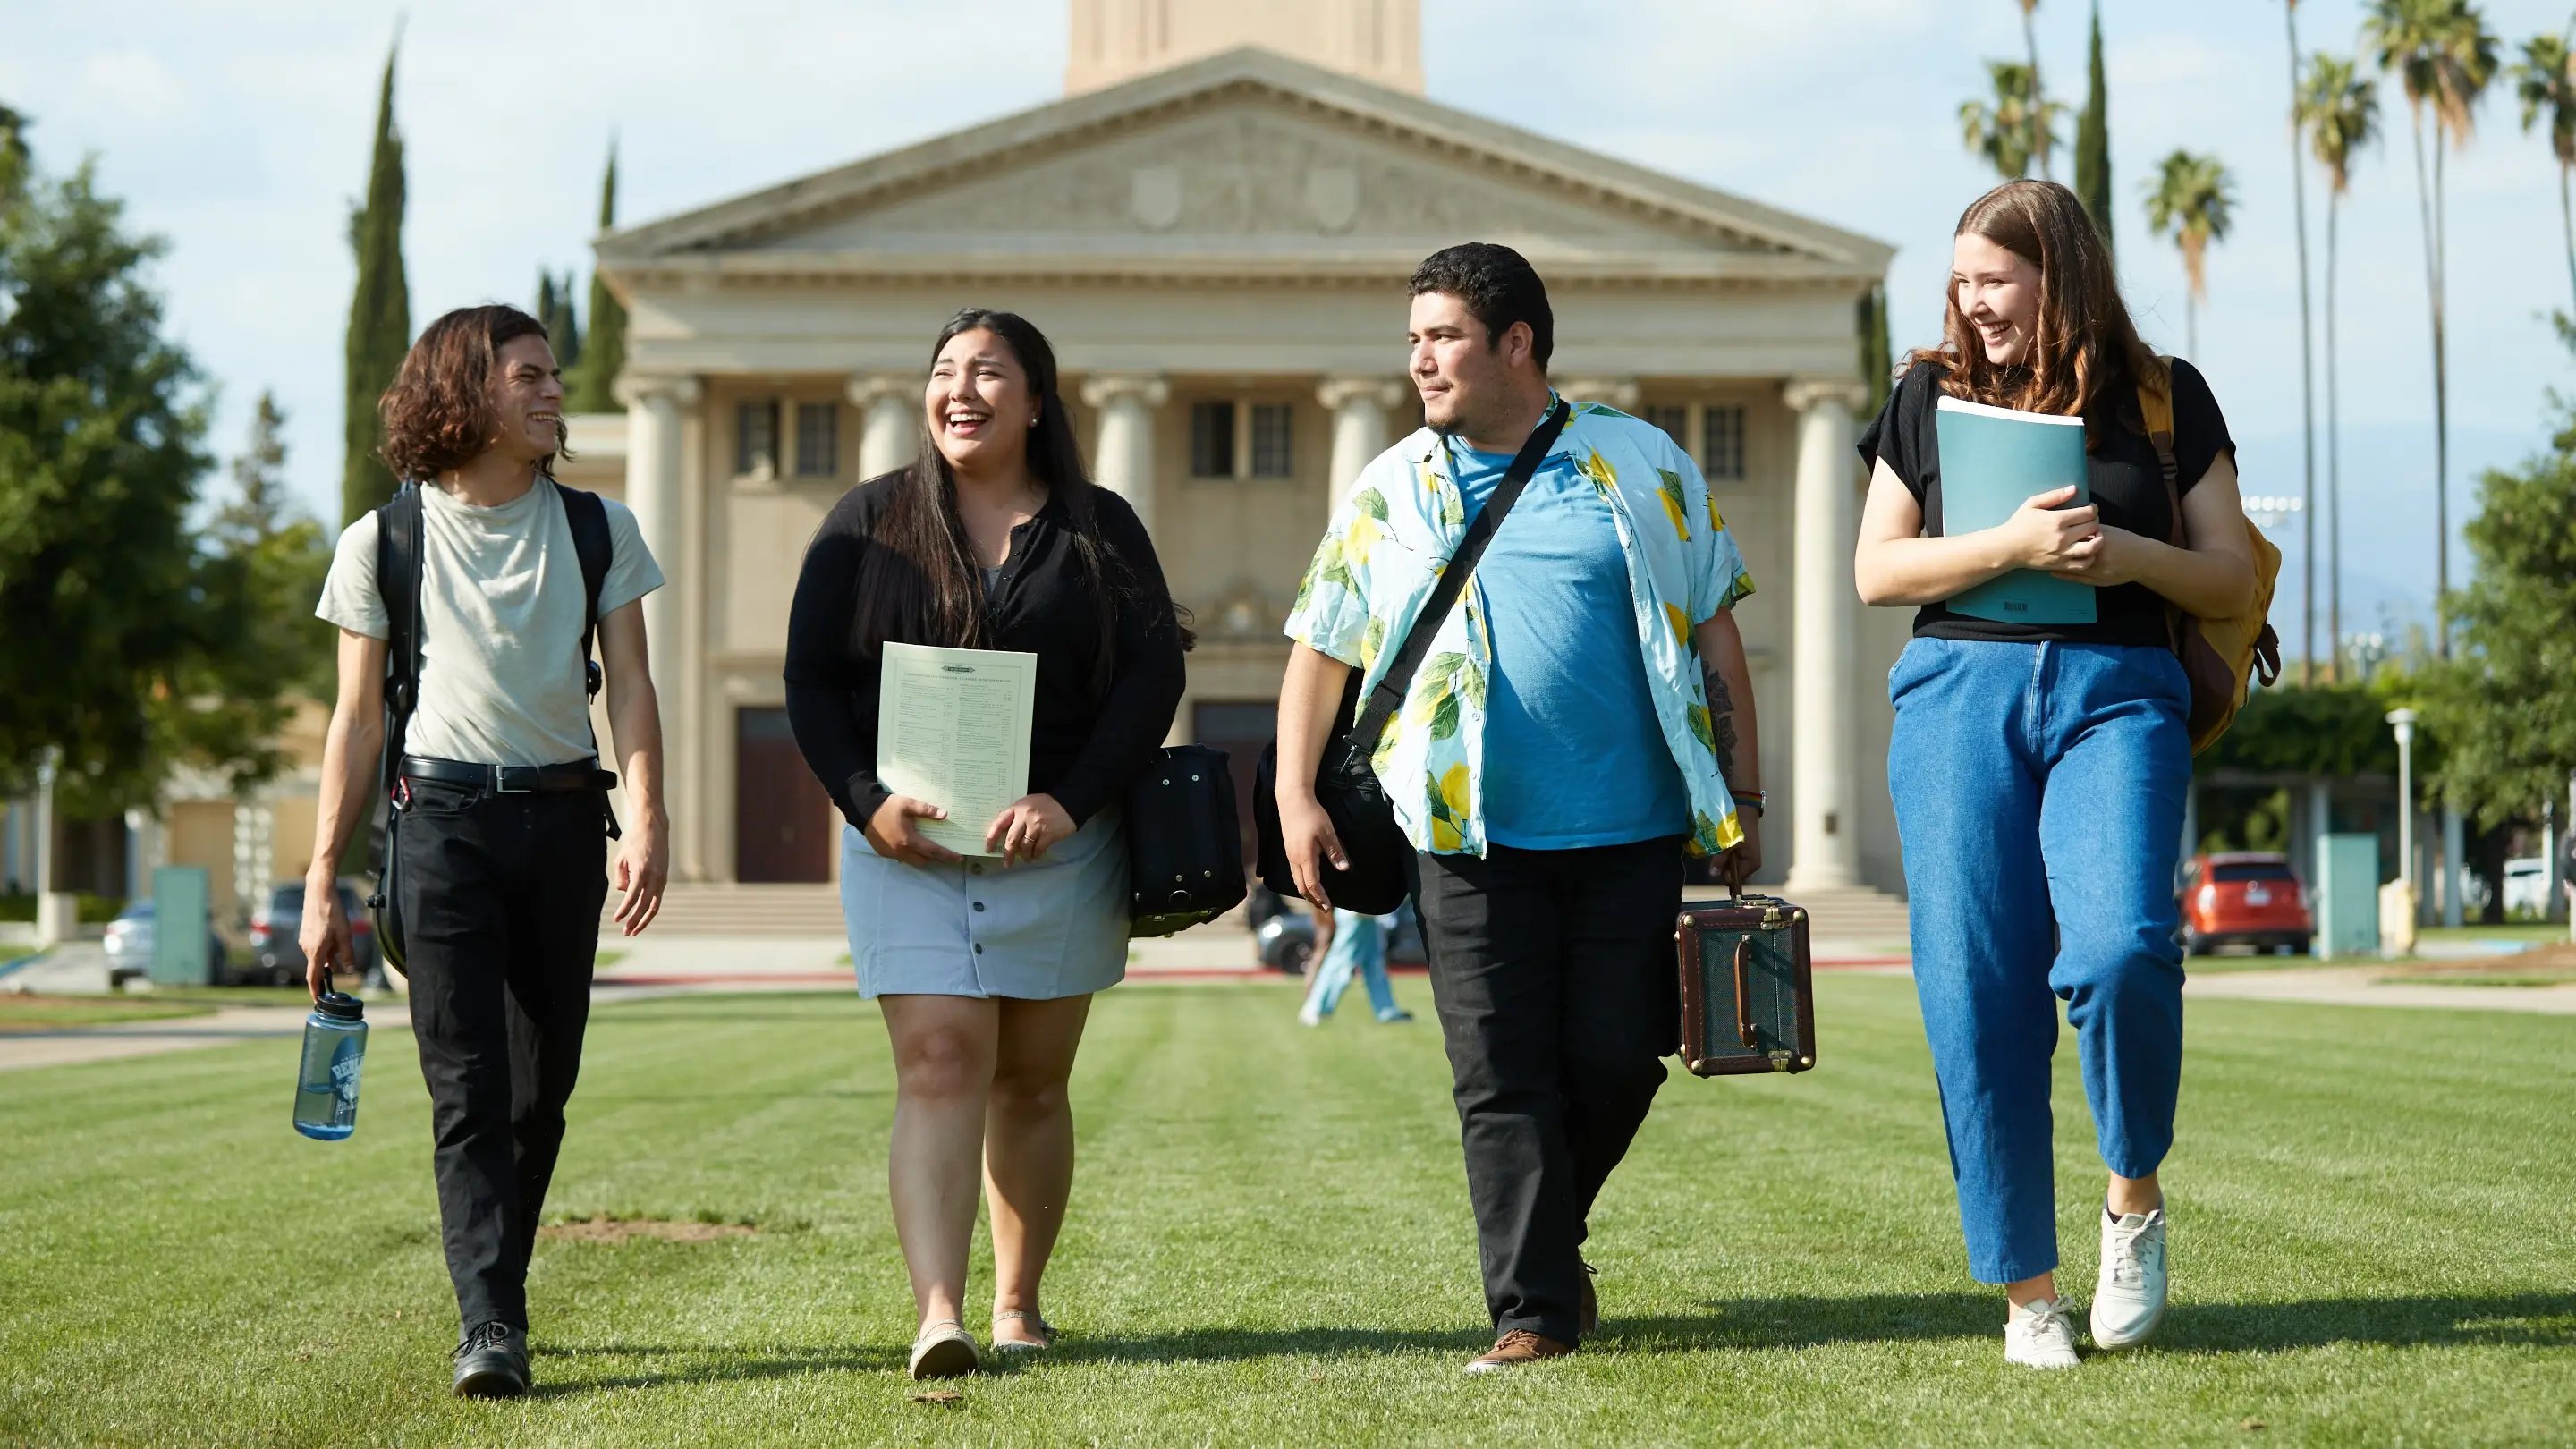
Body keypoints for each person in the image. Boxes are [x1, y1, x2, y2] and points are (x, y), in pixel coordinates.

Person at [1274, 242, 1763, 1374]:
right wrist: (1297, 793)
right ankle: (1533, 1309)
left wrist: (1741, 793)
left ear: (1517, 343)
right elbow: (1322, 642)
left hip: (1634, 826)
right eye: (1413, 340)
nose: (1420, 361)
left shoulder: (1638, 463)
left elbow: (1715, 627)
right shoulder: (1393, 483)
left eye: (1442, 337)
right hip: (1461, 832)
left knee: (1619, 1054)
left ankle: (1549, 1237)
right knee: (1499, 1074)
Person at [1854, 180, 2258, 1370]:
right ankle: (2029, 1297)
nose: (1974, 304)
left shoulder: (2164, 398)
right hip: (1956, 700)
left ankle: (2131, 1200)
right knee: (1975, 996)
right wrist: (2014, 548)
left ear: (2061, 276)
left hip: (2118, 691)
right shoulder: (1927, 394)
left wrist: (2117, 549)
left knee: (2125, 946)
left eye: (1997, 280)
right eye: (1963, 281)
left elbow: (2230, 577)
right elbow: (1878, 570)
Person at [783, 309, 1186, 1380]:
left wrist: (1070, 798)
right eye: (945, 370)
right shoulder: (865, 523)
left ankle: (1018, 1302)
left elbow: (1154, 680)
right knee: (940, 1060)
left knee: (1033, 1084)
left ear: (1038, 400)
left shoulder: (1100, 528)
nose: (962, 389)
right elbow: (809, 683)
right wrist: (863, 799)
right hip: (905, 848)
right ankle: (939, 1314)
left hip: (1054, 842)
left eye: (990, 372)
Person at [301, 303, 669, 1398]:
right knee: (466, 1088)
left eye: (554, 375)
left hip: (562, 824)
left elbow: (635, 689)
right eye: (530, 376)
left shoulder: (601, 528)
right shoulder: (384, 540)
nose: (554, 392)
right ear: (466, 390)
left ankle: (494, 1297)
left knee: (538, 1091)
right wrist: (323, 878)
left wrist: (645, 814)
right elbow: (356, 722)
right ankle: (491, 1323)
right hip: (441, 828)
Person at [1296, 906, 1412, 1026]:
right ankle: (1314, 1008)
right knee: (1339, 964)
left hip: (1369, 914)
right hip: (1354, 912)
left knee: (1374, 966)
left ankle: (1386, 1010)